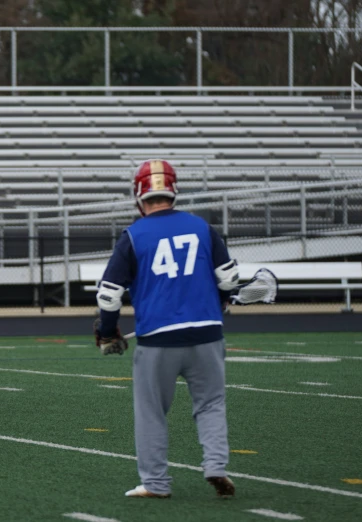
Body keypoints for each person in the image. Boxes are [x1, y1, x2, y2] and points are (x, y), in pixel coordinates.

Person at [95, 160, 237, 499]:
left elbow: (109, 294)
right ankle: (216, 464)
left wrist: (108, 330)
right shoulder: (201, 227)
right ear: (173, 191)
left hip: (158, 338)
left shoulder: (133, 235)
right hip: (206, 333)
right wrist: (223, 301)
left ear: (139, 195)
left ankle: (157, 484)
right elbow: (228, 279)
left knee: (152, 413)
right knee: (211, 404)